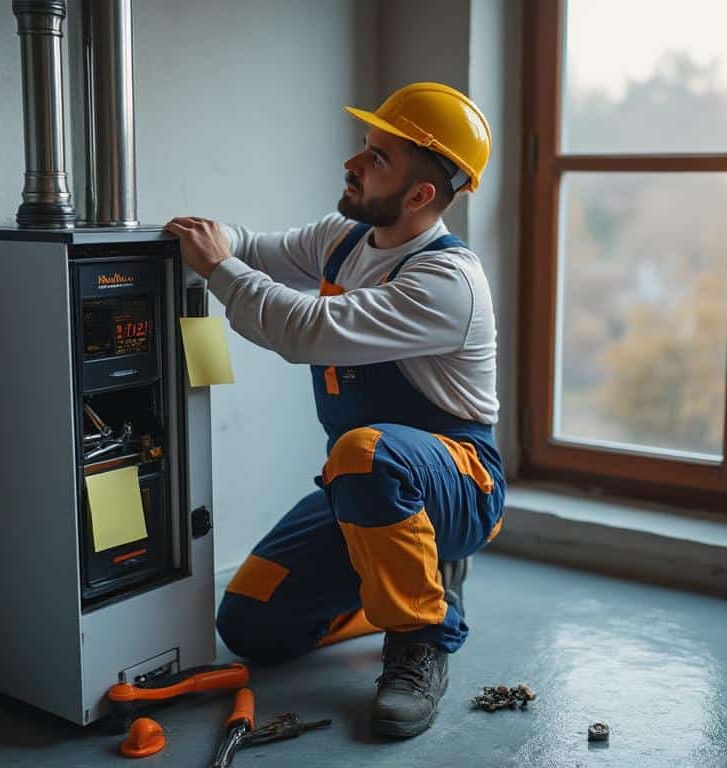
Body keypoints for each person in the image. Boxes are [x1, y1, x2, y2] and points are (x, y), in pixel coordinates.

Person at [165, 82, 504, 739]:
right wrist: (202, 237)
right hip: (371, 490)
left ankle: (421, 637)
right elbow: (253, 249)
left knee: (364, 453)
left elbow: (302, 329)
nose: (353, 163)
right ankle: (412, 577)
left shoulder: (446, 283)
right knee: (249, 624)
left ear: (420, 195)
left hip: (460, 484)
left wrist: (218, 268)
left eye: (377, 157)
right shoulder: (343, 239)